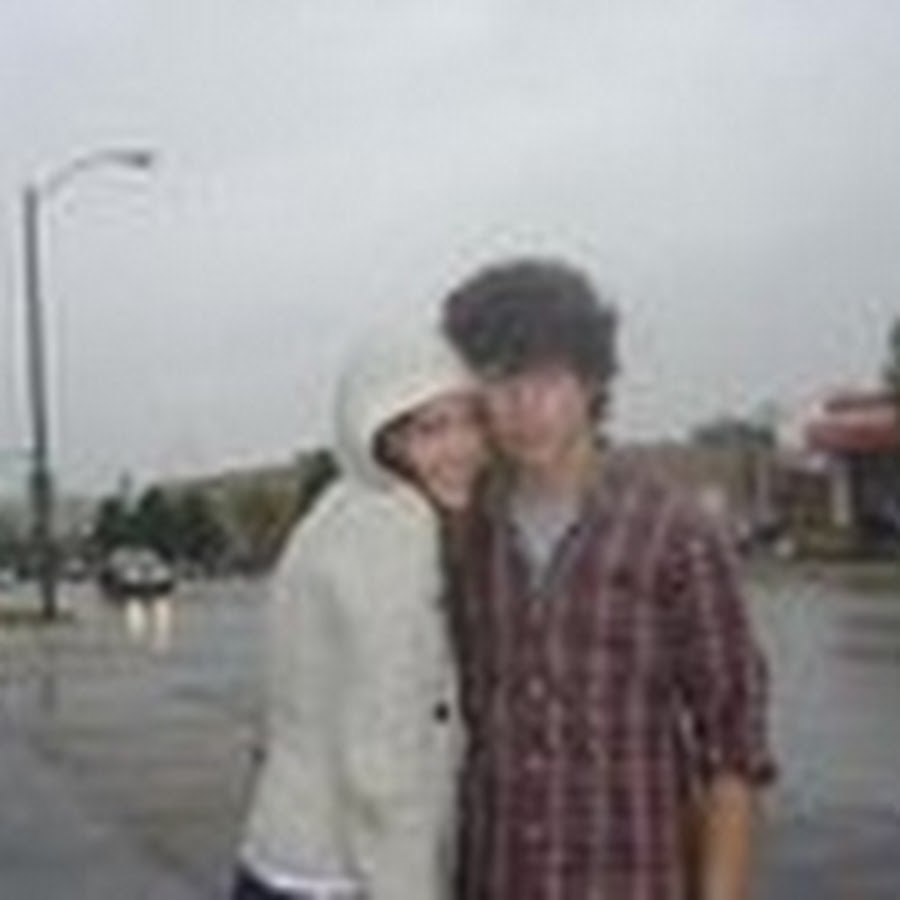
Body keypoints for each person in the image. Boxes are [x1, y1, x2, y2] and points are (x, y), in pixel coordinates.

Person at [442, 258, 775, 900]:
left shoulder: (673, 533)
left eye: (546, 379)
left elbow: (734, 751)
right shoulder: (464, 538)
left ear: (592, 381)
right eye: (499, 381)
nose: (524, 407)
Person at [233, 325, 487, 900]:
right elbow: (382, 766)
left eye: (470, 421)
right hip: (342, 873)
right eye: (430, 429)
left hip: (281, 855)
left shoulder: (337, 513)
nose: (462, 447)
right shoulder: (398, 530)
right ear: (379, 437)